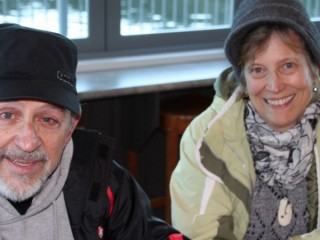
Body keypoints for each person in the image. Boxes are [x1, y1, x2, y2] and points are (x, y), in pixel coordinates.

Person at [0, 23, 190, 240]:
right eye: (7, 115)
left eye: (47, 119)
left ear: (70, 128)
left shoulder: (102, 182)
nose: (28, 142)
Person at [170, 0, 320, 239]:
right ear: (244, 82)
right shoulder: (206, 140)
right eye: (258, 70)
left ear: (312, 69)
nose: (275, 86)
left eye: (288, 65)